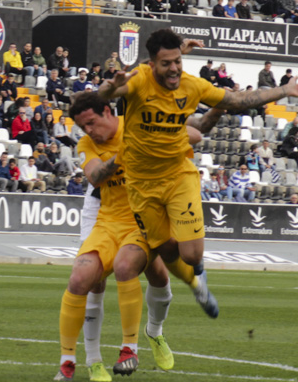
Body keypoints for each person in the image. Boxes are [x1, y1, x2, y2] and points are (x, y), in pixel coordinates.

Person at [98, 28, 298, 322]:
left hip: (177, 176)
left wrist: (284, 91)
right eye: (166, 63)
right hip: (140, 183)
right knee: (166, 249)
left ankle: (198, 274)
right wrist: (110, 89)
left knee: (191, 254)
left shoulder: (193, 85)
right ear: (151, 65)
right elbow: (106, 94)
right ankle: (196, 284)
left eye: (177, 61)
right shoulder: (138, 82)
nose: (174, 68)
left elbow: (236, 101)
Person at [56, 92, 222, 381]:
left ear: (109, 112)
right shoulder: (89, 143)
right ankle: (92, 360)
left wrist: (164, 133)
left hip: (147, 207)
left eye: (92, 124)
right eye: (84, 128)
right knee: (91, 279)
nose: (90, 132)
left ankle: (157, 330)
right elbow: (95, 176)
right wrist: (128, 152)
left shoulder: (139, 124)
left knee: (162, 265)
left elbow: (193, 135)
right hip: (103, 210)